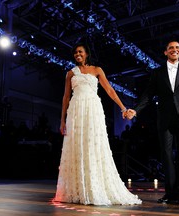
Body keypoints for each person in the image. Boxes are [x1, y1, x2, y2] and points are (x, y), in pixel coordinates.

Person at [54, 42, 141, 205]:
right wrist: (62, 120)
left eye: (80, 51)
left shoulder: (97, 70)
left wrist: (123, 108)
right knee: (77, 146)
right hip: (76, 111)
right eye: (75, 53)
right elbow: (65, 97)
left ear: (86, 53)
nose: (77, 54)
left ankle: (94, 186)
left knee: (92, 145)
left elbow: (109, 90)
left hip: (93, 110)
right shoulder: (70, 73)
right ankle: (78, 189)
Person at [126, 40, 179, 205]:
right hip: (165, 120)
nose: (174, 49)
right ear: (165, 52)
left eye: (177, 48)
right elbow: (148, 94)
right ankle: (170, 193)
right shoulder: (157, 72)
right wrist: (136, 110)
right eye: (171, 48)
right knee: (167, 157)